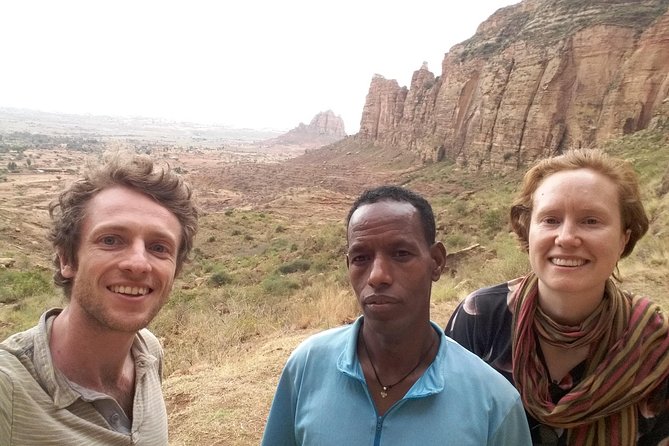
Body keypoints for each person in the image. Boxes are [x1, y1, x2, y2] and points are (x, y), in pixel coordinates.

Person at [261, 185, 532, 445]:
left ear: (436, 262)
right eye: (361, 258)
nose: (378, 276)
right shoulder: (307, 366)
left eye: (401, 254)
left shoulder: (493, 401)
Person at [446, 149, 669, 445]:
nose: (566, 238)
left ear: (623, 239)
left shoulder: (652, 345)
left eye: (591, 221)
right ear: (528, 233)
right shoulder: (480, 318)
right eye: (550, 220)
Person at [0, 153, 199, 445]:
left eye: (158, 247)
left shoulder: (148, 352)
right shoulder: (9, 389)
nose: (139, 264)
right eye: (111, 240)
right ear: (67, 258)